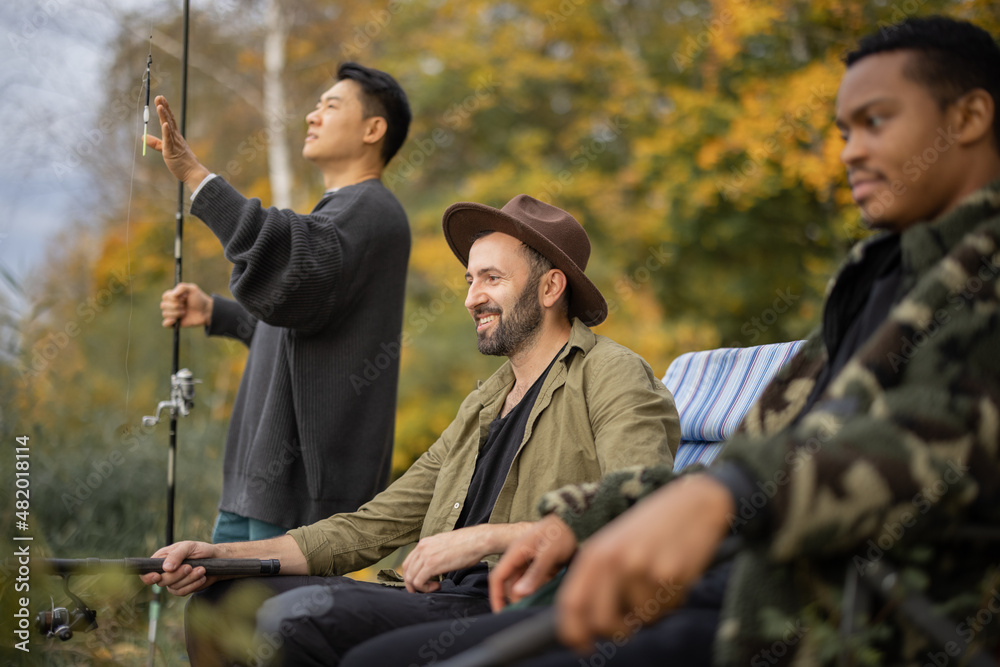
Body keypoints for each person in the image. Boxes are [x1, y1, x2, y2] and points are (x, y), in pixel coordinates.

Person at [339, 15, 1000, 667]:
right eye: (843, 130)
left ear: (969, 117)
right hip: (730, 589)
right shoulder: (876, 280)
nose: (850, 150)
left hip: (846, 620)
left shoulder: (979, 276)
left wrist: (720, 496)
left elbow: (936, 435)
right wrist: (578, 518)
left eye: (876, 121)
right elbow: (745, 456)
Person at [141, 194, 681, 666]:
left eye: (492, 278)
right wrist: (222, 558)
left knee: (299, 619)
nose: (471, 298)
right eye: (470, 280)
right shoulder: (484, 402)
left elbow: (644, 512)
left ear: (550, 288)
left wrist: (488, 539)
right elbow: (374, 525)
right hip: (433, 599)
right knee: (221, 603)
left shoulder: (612, 373)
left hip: (519, 607)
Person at [147, 62, 412, 542]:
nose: (313, 116)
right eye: (315, 105)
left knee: (267, 619)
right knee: (218, 617)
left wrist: (197, 178)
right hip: (260, 484)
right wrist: (217, 312)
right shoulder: (344, 211)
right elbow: (296, 323)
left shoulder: (372, 210)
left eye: (331, 106)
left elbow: (290, 261)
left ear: (374, 129)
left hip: (298, 497)